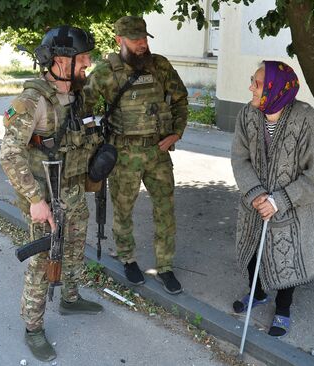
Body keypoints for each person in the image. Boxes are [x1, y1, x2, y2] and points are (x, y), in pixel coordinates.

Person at [0, 26, 104, 361]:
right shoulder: (31, 102)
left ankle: (71, 298)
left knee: (74, 249)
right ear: (60, 60)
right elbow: (9, 154)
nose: (88, 62)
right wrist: (35, 200)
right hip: (45, 196)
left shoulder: (78, 93)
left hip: (73, 190)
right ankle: (33, 327)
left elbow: (86, 134)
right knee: (43, 262)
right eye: (82, 57)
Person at [84, 16, 188, 295]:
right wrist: (97, 146)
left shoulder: (160, 65)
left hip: (158, 151)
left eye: (144, 38)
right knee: (123, 209)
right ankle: (127, 258)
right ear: (119, 40)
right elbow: (84, 110)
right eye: (135, 40)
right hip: (124, 154)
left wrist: (177, 132)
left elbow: (180, 99)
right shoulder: (106, 72)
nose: (142, 44)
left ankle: (165, 266)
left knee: (165, 209)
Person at [230, 61, 314, 337]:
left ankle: (283, 309)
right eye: (252, 79)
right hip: (255, 203)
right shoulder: (247, 115)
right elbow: (239, 159)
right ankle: (257, 293)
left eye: (258, 83)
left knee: (287, 256)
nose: (251, 86)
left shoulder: (306, 119)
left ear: (275, 88)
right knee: (254, 250)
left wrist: (279, 200)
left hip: (293, 207)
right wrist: (257, 194)